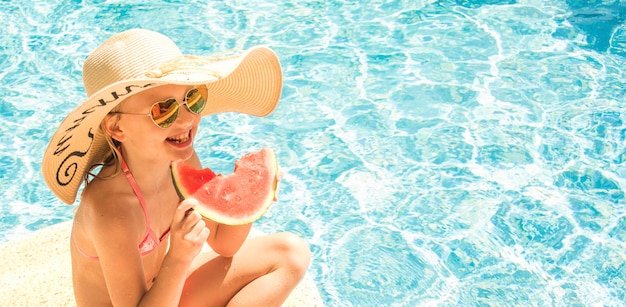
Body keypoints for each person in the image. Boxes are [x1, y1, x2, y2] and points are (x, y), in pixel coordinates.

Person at [41, 28, 311, 306]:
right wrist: (179, 257)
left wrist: (250, 195)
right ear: (116, 126)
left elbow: (224, 243)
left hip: (167, 290)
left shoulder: (180, 162)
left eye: (192, 99)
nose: (186, 120)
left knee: (290, 253)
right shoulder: (110, 211)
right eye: (163, 110)